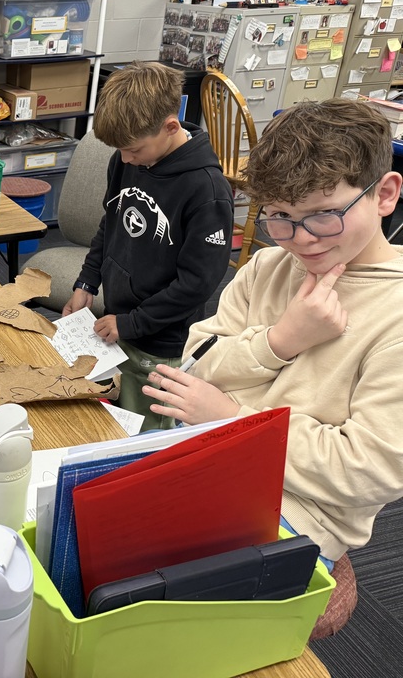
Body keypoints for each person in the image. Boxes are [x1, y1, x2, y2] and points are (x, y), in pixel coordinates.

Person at [144, 98, 403, 564]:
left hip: (296, 513)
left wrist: (232, 417)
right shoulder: (268, 264)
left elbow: (368, 470)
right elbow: (196, 364)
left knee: (135, 576)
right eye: (280, 216)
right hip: (205, 451)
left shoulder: (394, 315)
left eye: (325, 214)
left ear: (384, 195)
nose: (301, 239)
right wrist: (280, 341)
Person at [62, 61, 233, 430]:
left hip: (161, 342)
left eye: (133, 149)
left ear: (171, 127)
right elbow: (111, 222)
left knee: (141, 438)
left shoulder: (207, 190)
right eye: (120, 150)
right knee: (107, 420)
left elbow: (198, 283)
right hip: (118, 324)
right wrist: (87, 283)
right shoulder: (126, 161)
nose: (125, 159)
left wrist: (133, 323)